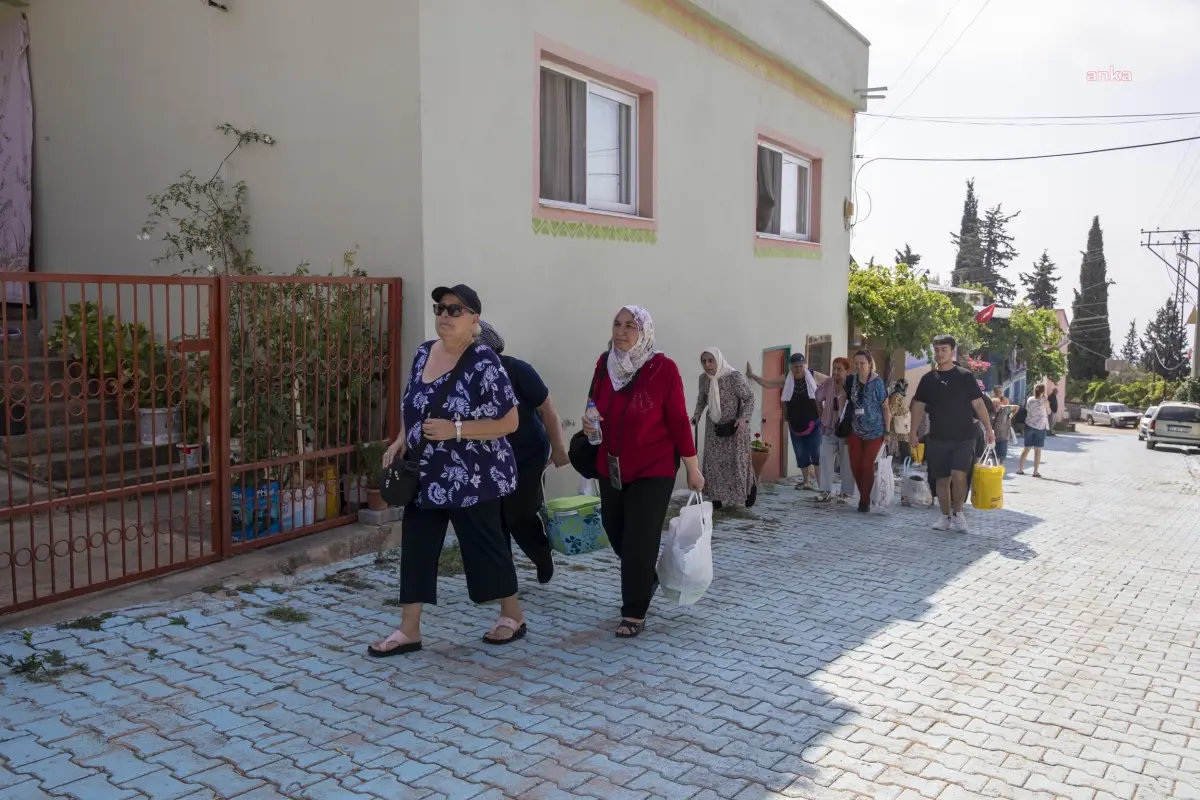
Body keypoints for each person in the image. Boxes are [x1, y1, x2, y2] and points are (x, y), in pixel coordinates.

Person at [370, 285, 526, 657]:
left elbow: (510, 421)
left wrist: (456, 430)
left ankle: (512, 615)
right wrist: (400, 440)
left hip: (472, 477)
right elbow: (415, 406)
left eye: (455, 310)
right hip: (425, 477)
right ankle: (409, 629)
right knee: (417, 550)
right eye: (440, 308)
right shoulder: (424, 352)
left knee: (485, 547)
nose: (444, 315)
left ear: (474, 319)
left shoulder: (484, 360)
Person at [583, 306, 703, 639]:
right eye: (617, 324)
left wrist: (693, 468)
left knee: (639, 538)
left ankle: (634, 610)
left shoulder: (663, 369)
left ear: (645, 331)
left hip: (654, 467)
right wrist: (589, 419)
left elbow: (679, 422)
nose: (621, 331)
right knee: (615, 529)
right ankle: (645, 576)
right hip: (612, 465)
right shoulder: (604, 363)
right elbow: (594, 400)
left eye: (630, 326)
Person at [475, 321, 569, 585]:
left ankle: (541, 555)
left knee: (519, 514)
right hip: (487, 457)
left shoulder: (517, 370)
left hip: (527, 455)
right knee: (493, 517)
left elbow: (547, 409)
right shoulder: (466, 377)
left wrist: (559, 448)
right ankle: (502, 577)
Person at [908, 335, 995, 533]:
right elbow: (918, 406)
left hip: (964, 436)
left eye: (944, 349)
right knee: (942, 479)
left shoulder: (965, 376)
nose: (939, 353)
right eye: (936, 349)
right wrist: (913, 431)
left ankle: (958, 513)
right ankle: (945, 516)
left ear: (952, 351)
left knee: (959, 475)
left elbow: (979, 404)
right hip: (938, 435)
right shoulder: (928, 379)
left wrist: (989, 428)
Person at [746, 353, 825, 491]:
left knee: (816, 454)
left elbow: (830, 382)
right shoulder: (787, 379)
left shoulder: (813, 375)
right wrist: (752, 376)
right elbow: (768, 383)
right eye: (795, 367)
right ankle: (806, 482)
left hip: (814, 424)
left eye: (801, 366)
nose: (798, 369)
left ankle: (822, 486)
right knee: (801, 455)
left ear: (804, 365)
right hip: (796, 425)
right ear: (790, 367)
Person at [690, 348, 756, 510]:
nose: (707, 364)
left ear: (718, 360)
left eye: (710, 360)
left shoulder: (733, 377)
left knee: (737, 461)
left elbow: (750, 398)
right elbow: (702, 399)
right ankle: (715, 496)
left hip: (735, 427)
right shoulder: (704, 379)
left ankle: (748, 489)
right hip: (714, 425)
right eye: (704, 361)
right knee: (714, 461)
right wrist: (697, 415)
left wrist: (744, 419)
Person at [845, 350, 890, 513]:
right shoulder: (852, 380)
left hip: (875, 430)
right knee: (855, 465)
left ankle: (864, 500)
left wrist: (888, 431)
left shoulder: (877, 382)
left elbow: (885, 408)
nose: (859, 366)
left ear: (869, 364)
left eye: (862, 363)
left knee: (866, 465)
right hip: (856, 428)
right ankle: (865, 493)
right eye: (856, 363)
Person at [814, 357, 856, 504]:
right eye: (834, 369)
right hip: (829, 427)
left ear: (847, 371)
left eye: (839, 369)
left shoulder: (852, 385)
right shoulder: (828, 383)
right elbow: (817, 397)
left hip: (845, 429)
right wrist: (821, 414)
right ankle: (825, 491)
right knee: (824, 457)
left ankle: (846, 493)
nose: (836, 372)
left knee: (846, 461)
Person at [1018, 385, 1051, 477]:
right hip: (1040, 427)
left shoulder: (1030, 399)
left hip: (1029, 425)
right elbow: (1049, 412)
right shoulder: (1044, 400)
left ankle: (1020, 469)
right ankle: (1035, 472)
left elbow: (1027, 409)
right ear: (1043, 391)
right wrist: (1045, 400)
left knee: (1026, 448)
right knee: (1038, 449)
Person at [889, 379, 912, 464]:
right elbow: (892, 411)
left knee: (904, 442)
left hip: (903, 423)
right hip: (899, 423)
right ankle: (907, 461)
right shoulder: (896, 396)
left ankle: (906, 461)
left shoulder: (900, 395)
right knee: (904, 442)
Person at [990, 386, 1015, 462]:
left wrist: (1010, 417)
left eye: (1000, 392)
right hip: (994, 427)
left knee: (1001, 451)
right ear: (994, 392)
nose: (999, 393)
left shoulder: (1004, 400)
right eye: (997, 391)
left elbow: (1011, 410)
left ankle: (1000, 462)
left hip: (1004, 423)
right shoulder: (991, 400)